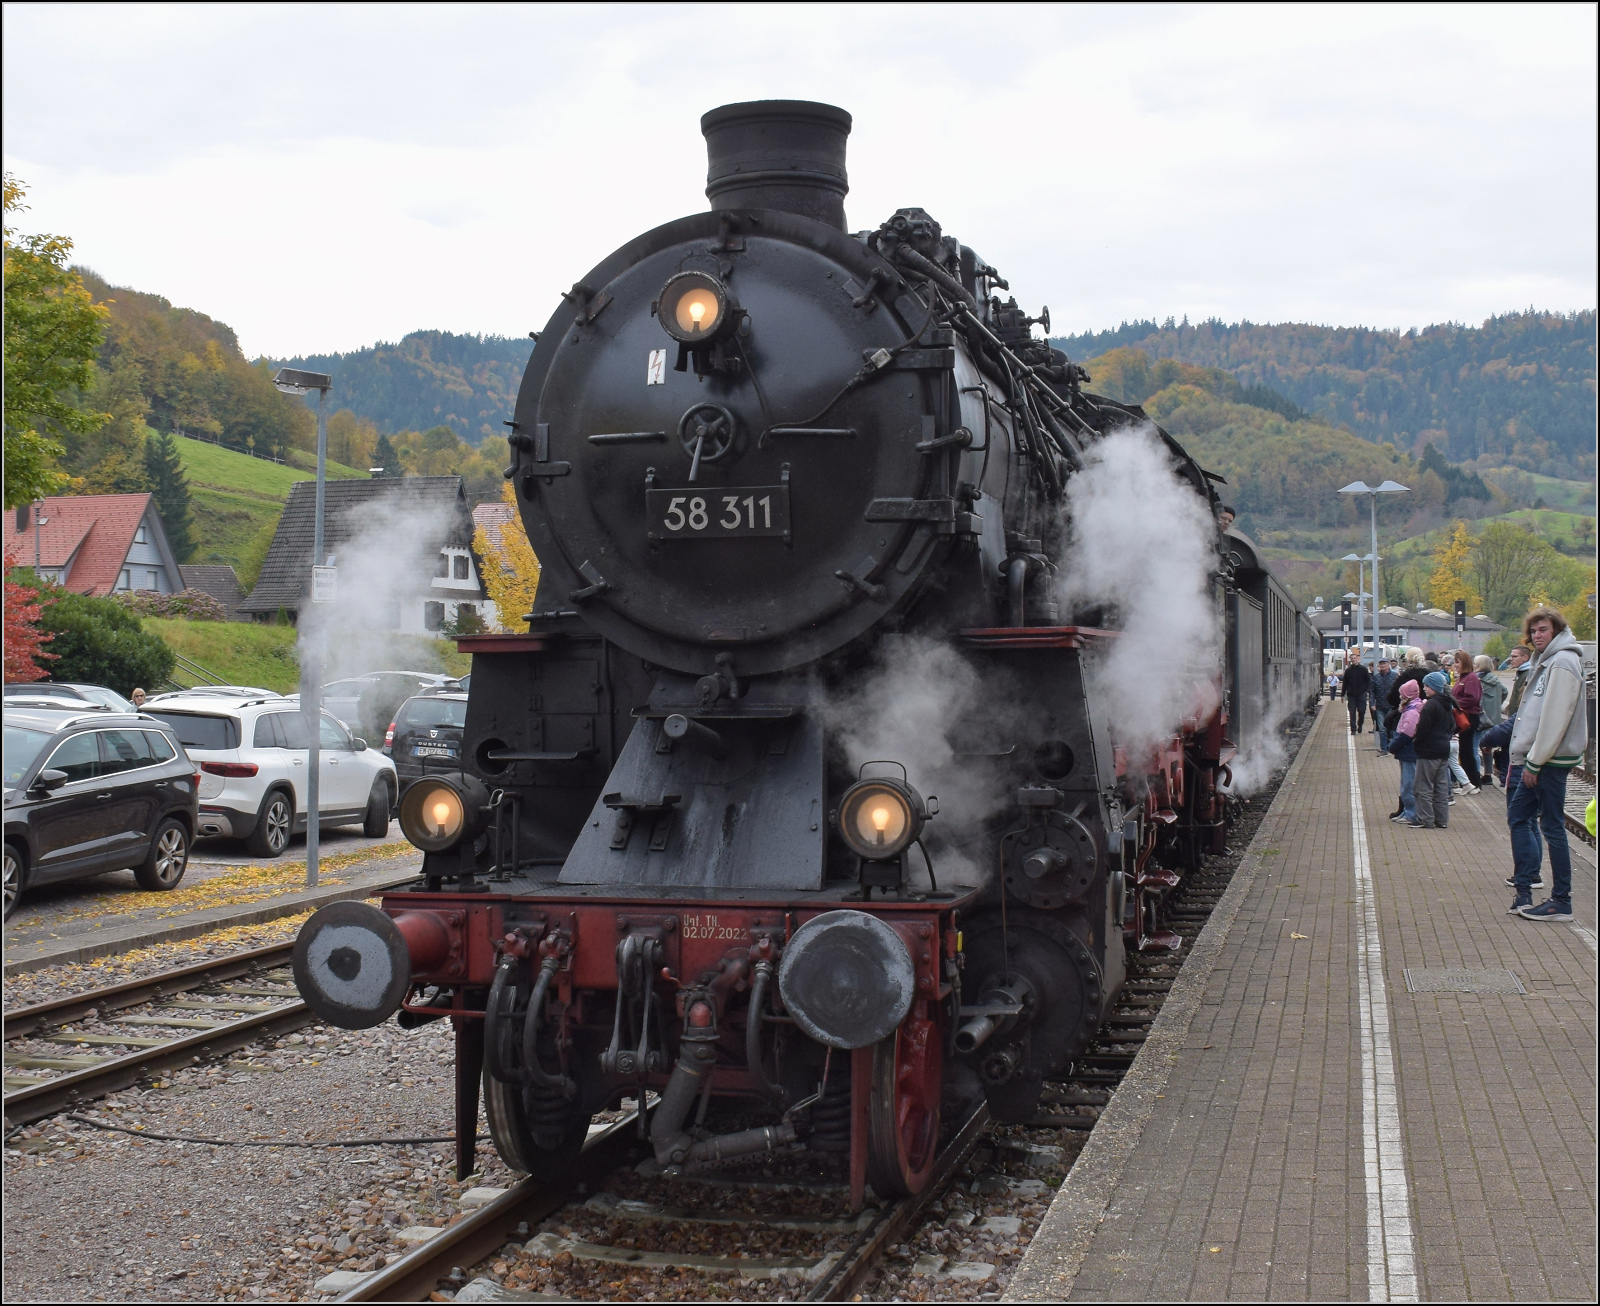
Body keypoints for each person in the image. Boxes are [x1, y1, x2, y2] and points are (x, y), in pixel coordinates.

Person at [1507, 608, 1588, 921]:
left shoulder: (1563, 662)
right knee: (1519, 815)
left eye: (1543, 630)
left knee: (1552, 826)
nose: (1537, 636)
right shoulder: (1547, 661)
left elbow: (1554, 717)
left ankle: (1561, 901)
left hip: (1550, 761)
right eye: (1534, 632)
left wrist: (1536, 762)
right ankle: (1524, 891)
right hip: (1539, 758)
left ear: (1556, 630)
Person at [1406, 671, 1457, 829]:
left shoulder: (1431, 705)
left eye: (1427, 686)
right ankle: (1441, 819)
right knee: (1441, 787)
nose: (1424, 688)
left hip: (1428, 750)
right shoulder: (1447, 703)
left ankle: (1425, 819)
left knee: (1423, 787)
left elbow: (1422, 728)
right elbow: (1452, 726)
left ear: (1434, 687)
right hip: (1443, 748)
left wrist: (1417, 741)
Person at [1387, 679, 1424, 823]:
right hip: (1407, 752)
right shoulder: (1411, 709)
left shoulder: (1412, 712)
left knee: (1409, 784)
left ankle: (1411, 813)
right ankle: (1407, 812)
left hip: (1408, 752)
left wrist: (1393, 746)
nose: (1400, 697)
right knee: (1406, 783)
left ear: (1407, 696)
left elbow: (1407, 733)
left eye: (1402, 695)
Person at [1450, 649, 1483, 792]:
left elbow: (1472, 698)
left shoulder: (1471, 678)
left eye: (1458, 662)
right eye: (1454, 662)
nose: (1455, 665)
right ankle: (1467, 782)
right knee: (1463, 751)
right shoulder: (1462, 678)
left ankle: (1473, 783)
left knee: (1467, 751)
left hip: (1468, 717)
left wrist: (1455, 703)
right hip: (1462, 716)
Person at [1474, 654, 1503, 779]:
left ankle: (1478, 774)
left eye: (1475, 664)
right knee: (1487, 746)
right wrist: (1496, 704)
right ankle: (1488, 773)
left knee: (1476, 746)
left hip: (1481, 716)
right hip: (1494, 716)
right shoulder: (1495, 680)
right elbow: (1505, 692)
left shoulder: (1477, 680)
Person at [1370, 658, 1398, 752]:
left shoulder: (1395, 676)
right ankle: (1384, 749)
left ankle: (1393, 747)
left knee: (1392, 728)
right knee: (1382, 728)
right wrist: (1372, 703)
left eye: (1384, 664)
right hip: (1380, 707)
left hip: (1392, 706)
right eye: (1381, 664)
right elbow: (1372, 692)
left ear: (1388, 664)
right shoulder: (1376, 678)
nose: (1382, 666)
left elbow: (1399, 690)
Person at [1342, 652, 1371, 735]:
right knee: (1352, 712)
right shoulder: (1348, 671)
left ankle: (1360, 724)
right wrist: (1343, 694)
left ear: (1357, 659)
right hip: (1351, 695)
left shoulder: (1363, 669)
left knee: (1362, 711)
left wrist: (1367, 690)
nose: (1353, 660)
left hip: (1361, 694)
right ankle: (1353, 729)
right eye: (1352, 658)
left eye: (1354, 658)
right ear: (1350, 660)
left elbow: (1368, 680)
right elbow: (1345, 683)